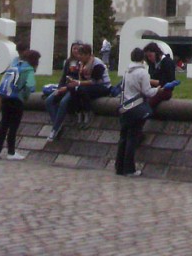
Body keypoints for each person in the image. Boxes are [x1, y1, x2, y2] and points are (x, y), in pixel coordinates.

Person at [47, 43, 110, 141]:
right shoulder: (80, 64)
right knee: (74, 89)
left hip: (102, 87)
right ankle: (79, 112)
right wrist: (74, 83)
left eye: (81, 55)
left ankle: (88, 112)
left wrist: (78, 83)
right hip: (88, 85)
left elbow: (96, 81)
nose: (79, 57)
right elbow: (78, 79)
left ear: (87, 55)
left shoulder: (97, 63)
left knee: (79, 90)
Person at [115, 47, 157, 176]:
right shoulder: (143, 73)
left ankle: (119, 166)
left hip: (125, 106)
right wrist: (159, 90)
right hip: (136, 107)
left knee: (123, 138)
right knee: (132, 139)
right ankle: (129, 169)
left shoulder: (127, 71)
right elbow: (147, 92)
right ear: (142, 58)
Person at [0, 49, 40, 160]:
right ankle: (11, 152)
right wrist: (25, 95)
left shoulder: (14, 65)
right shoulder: (28, 70)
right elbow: (31, 86)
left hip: (6, 98)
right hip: (17, 99)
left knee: (4, 125)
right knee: (13, 126)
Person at [0, 41, 28, 130]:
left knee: (2, 92)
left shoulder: (28, 61)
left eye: (21, 51)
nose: (20, 54)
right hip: (12, 83)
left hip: (19, 85)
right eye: (19, 52)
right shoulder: (16, 60)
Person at [44, 41, 83, 135]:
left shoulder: (82, 62)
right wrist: (59, 88)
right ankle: (57, 124)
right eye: (74, 48)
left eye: (78, 48)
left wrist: (66, 88)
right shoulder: (69, 61)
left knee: (63, 102)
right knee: (49, 101)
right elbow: (63, 77)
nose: (76, 50)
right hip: (65, 86)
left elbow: (81, 79)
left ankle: (55, 129)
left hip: (74, 88)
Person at [142, 42, 179, 109]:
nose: (149, 58)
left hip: (164, 91)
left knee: (148, 102)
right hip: (152, 89)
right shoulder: (152, 64)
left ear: (157, 53)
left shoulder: (167, 62)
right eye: (147, 56)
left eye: (150, 56)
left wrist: (149, 81)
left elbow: (169, 81)